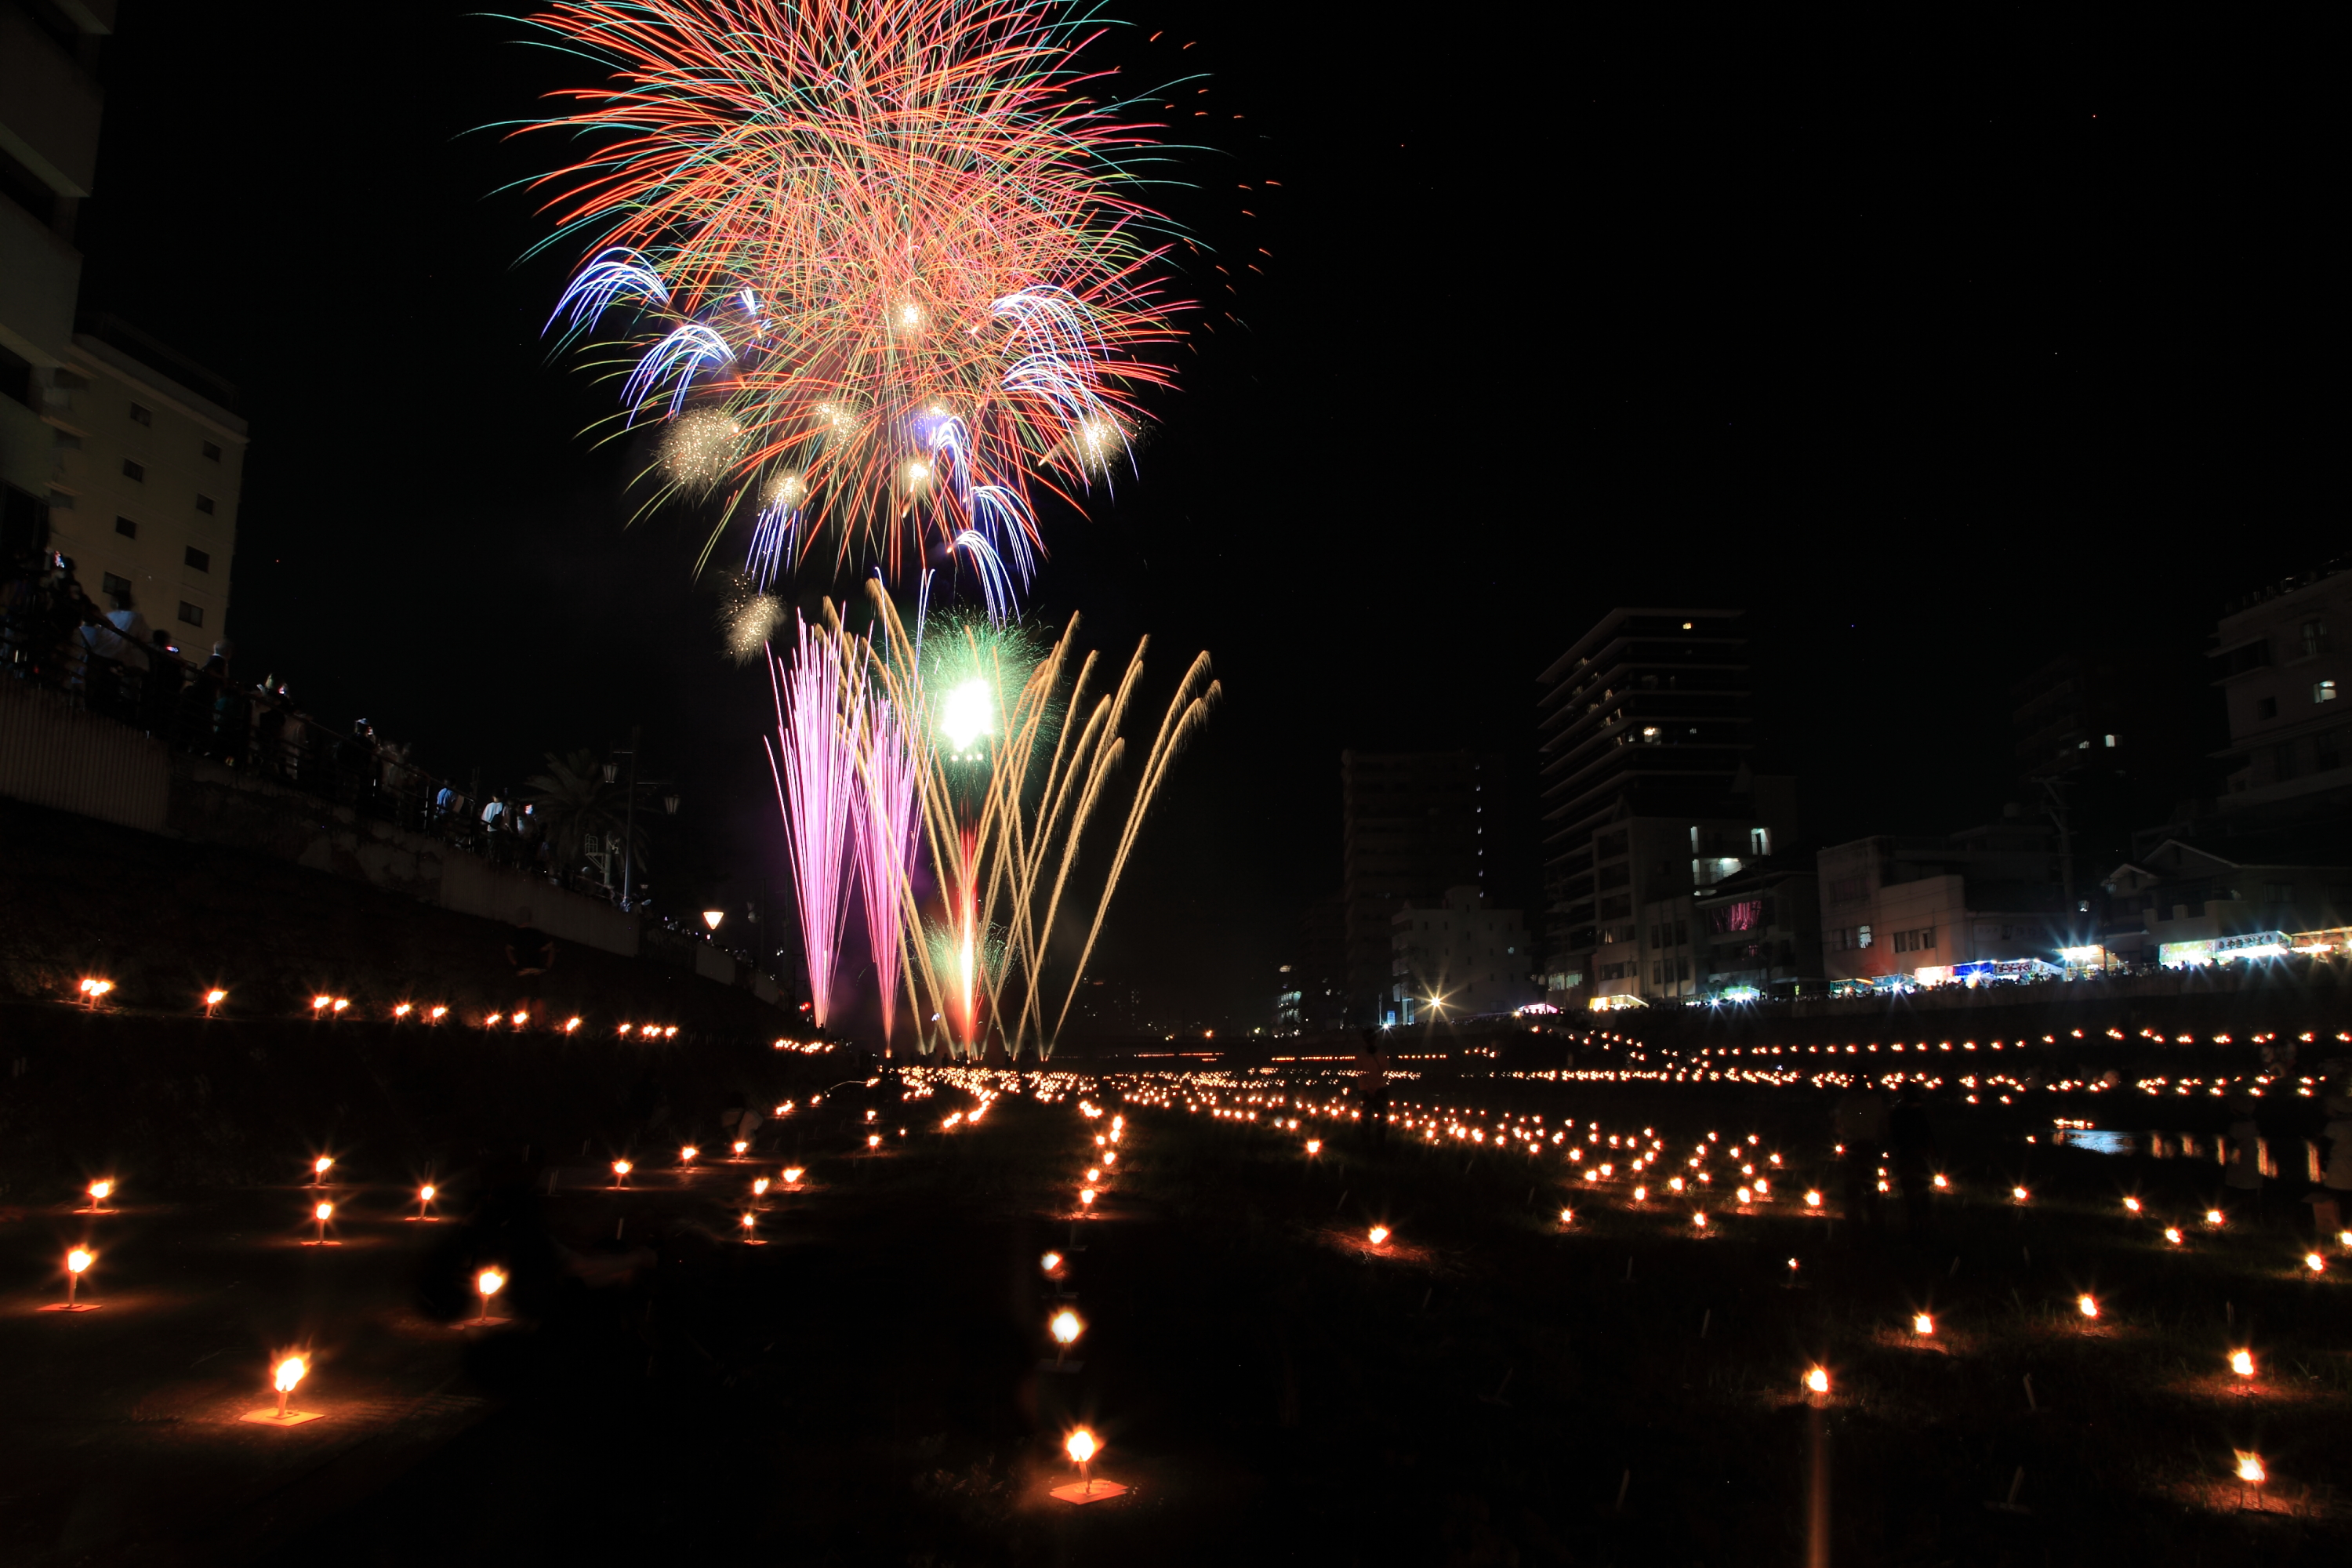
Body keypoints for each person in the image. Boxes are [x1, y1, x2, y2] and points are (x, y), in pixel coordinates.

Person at [1833, 1084, 1889, 1233]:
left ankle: (1854, 1226)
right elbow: (1884, 1124)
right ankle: (1876, 1225)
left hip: (1853, 1147)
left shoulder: (1846, 1101)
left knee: (1852, 1190)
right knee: (1871, 1188)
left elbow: (1838, 1123)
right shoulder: (1876, 1101)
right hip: (1870, 1147)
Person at [1889, 1081, 1937, 1239]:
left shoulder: (1898, 1114)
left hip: (1906, 1156)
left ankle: (1914, 1228)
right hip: (1920, 1156)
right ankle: (1925, 1228)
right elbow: (1930, 1136)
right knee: (1923, 1194)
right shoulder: (1923, 1113)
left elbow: (1894, 1137)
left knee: (1910, 1195)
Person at [2307, 1093, 2352, 1239]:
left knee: (2340, 1201)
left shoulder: (2334, 1126)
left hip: (2339, 1168)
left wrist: (2322, 1166)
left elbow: (2325, 1147)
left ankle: (2341, 1232)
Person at [2221, 1095, 2266, 1225]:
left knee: (2242, 1189)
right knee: (2248, 1188)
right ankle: (2249, 1216)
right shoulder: (2253, 1124)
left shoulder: (2238, 1126)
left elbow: (2232, 1141)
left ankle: (2245, 1215)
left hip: (2244, 1159)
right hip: (2250, 1159)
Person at [506, 909, 555, 1015]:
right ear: (529, 920)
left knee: (522, 995)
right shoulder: (536, 933)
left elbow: (508, 949)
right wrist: (548, 965)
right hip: (535, 969)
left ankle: (520, 1022)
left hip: (522, 969)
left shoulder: (516, 934)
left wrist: (514, 962)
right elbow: (551, 948)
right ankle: (538, 1023)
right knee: (536, 996)